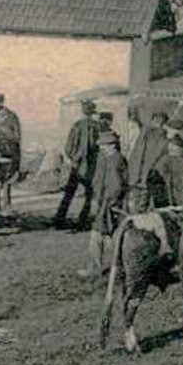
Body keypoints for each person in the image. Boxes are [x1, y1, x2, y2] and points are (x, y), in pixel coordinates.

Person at [84, 129, 130, 279]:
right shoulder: (109, 158)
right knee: (104, 234)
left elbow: (115, 185)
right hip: (107, 202)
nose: (100, 147)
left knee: (103, 233)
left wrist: (108, 203)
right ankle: (111, 266)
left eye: (103, 145)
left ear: (112, 145)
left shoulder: (115, 160)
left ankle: (101, 267)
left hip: (110, 203)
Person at [54, 100, 104, 230]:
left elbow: (68, 148)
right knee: (89, 194)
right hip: (93, 165)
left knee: (69, 192)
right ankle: (83, 219)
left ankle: (59, 218)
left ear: (82, 111)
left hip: (77, 165)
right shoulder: (99, 126)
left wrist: (73, 159)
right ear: (93, 111)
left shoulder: (77, 125)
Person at [127, 109, 171, 210]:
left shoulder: (148, 133)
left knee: (140, 202)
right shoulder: (151, 133)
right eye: (156, 122)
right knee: (142, 201)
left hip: (144, 175)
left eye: (160, 122)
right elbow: (138, 154)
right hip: (146, 175)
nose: (158, 124)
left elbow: (138, 154)